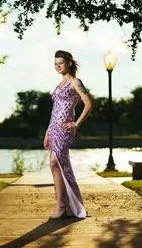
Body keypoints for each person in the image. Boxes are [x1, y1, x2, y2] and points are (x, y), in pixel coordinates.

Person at [44, 50, 92, 219]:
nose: (58, 66)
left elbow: (88, 103)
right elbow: (54, 111)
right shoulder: (59, 84)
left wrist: (76, 123)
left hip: (65, 129)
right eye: (55, 63)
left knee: (54, 162)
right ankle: (68, 206)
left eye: (61, 63)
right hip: (54, 129)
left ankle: (61, 206)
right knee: (57, 165)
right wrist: (47, 132)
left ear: (69, 63)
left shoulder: (75, 82)